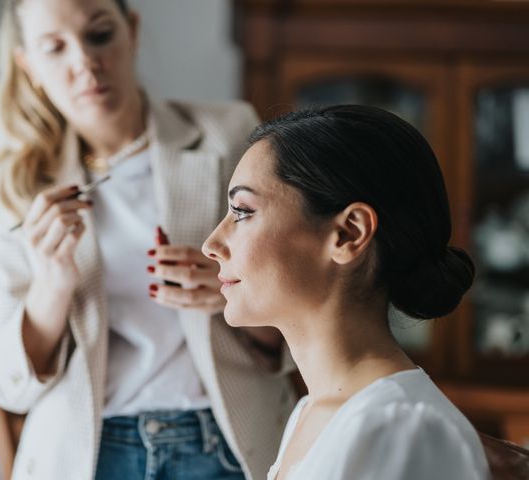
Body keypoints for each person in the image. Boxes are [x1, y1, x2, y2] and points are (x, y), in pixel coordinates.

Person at [0, 0, 296, 479]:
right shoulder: (17, 189)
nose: (84, 61)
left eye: (99, 34)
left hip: (228, 443)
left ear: (133, 31)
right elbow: (8, 386)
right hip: (87, 455)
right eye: (55, 48)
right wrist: (52, 286)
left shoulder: (228, 136)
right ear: (29, 67)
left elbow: (298, 319)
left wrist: (232, 291)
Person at [202, 105, 491, 480]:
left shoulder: (399, 427)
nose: (211, 244)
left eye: (242, 210)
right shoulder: (311, 411)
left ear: (348, 233)